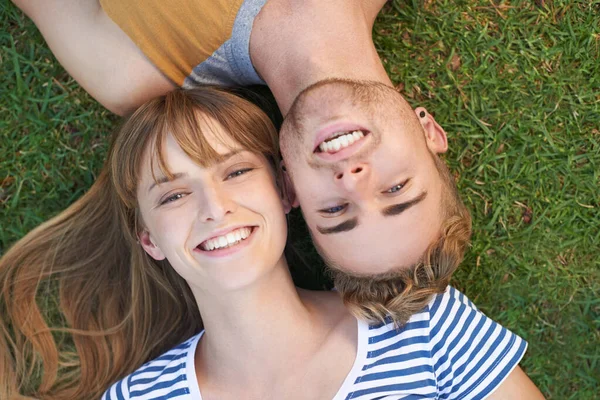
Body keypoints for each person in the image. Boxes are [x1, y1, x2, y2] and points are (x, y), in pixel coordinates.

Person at [0, 88, 542, 399]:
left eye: (235, 172)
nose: (214, 208)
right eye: (171, 196)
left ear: (285, 189)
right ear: (149, 239)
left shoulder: (424, 325)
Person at [10, 0, 472, 322]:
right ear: (429, 131)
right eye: (396, 190)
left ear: (288, 188)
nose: (352, 180)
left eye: (334, 211)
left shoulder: (129, 69)